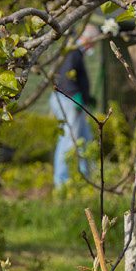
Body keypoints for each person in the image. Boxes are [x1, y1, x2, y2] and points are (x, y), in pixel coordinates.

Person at [51, 24, 101, 189]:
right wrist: (77, 97)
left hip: (75, 101)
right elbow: (66, 77)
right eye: (93, 43)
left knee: (85, 140)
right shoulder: (73, 51)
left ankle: (89, 179)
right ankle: (61, 182)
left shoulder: (77, 53)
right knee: (68, 141)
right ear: (88, 39)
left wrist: (87, 97)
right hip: (69, 101)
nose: (93, 47)